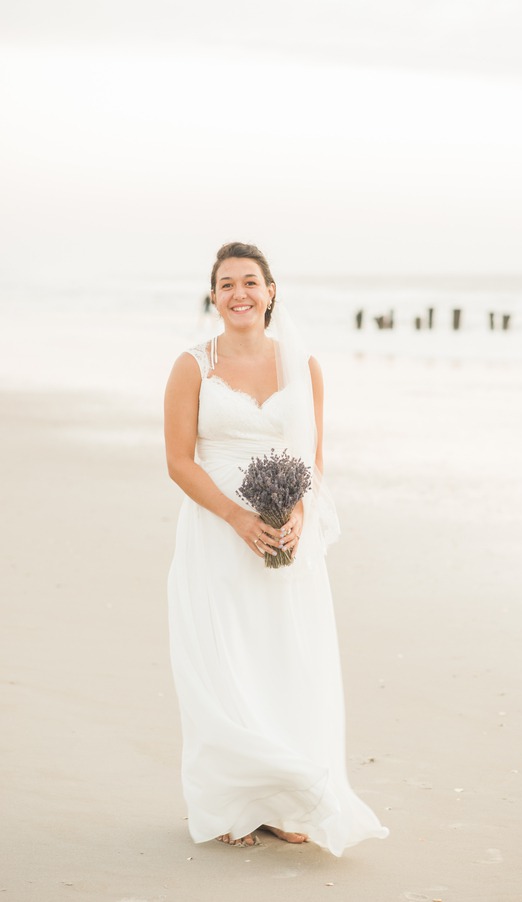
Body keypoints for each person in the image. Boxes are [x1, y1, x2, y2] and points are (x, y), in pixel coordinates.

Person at [164, 242, 388, 856]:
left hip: (287, 532)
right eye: (227, 283)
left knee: (286, 657)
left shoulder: (304, 365)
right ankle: (236, 801)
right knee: (225, 660)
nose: (240, 293)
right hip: (217, 530)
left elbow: (312, 458)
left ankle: (289, 800)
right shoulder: (192, 365)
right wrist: (237, 517)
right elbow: (179, 462)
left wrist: (294, 512)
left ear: (270, 292)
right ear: (214, 296)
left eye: (250, 282)